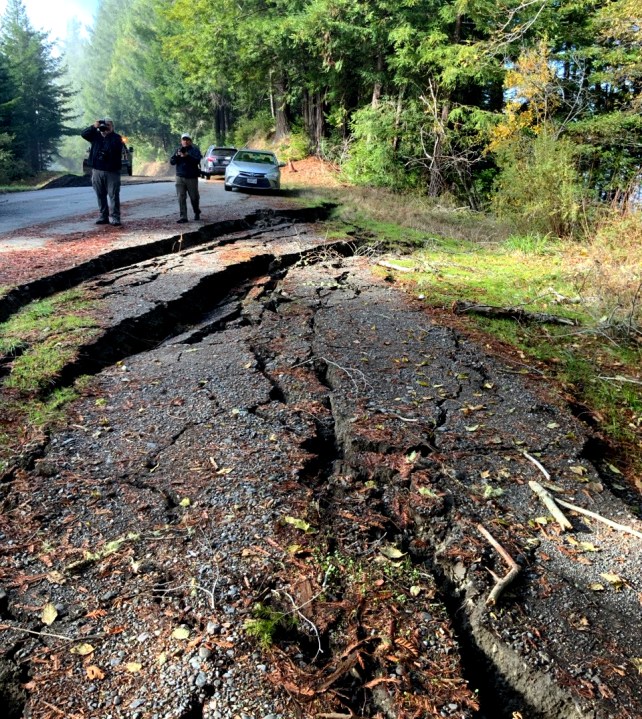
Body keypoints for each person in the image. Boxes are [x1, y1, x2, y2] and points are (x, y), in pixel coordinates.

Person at [81, 118, 124, 226]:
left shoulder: (116, 138)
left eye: (108, 125)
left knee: (113, 195)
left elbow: (115, 147)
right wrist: (94, 126)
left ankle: (115, 217)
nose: (105, 127)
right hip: (97, 170)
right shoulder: (95, 136)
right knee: (100, 195)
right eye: (104, 125)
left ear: (112, 127)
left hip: (112, 172)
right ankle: (103, 216)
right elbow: (83, 134)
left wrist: (107, 133)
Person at [170, 133, 202, 223]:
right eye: (184, 139)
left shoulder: (195, 150)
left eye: (187, 139)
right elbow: (172, 162)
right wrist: (176, 156)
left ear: (190, 141)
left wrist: (187, 156)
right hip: (180, 176)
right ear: (181, 141)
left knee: (194, 197)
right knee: (181, 197)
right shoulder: (178, 149)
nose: (185, 141)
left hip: (191, 177)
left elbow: (197, 160)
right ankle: (183, 217)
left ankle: (197, 211)